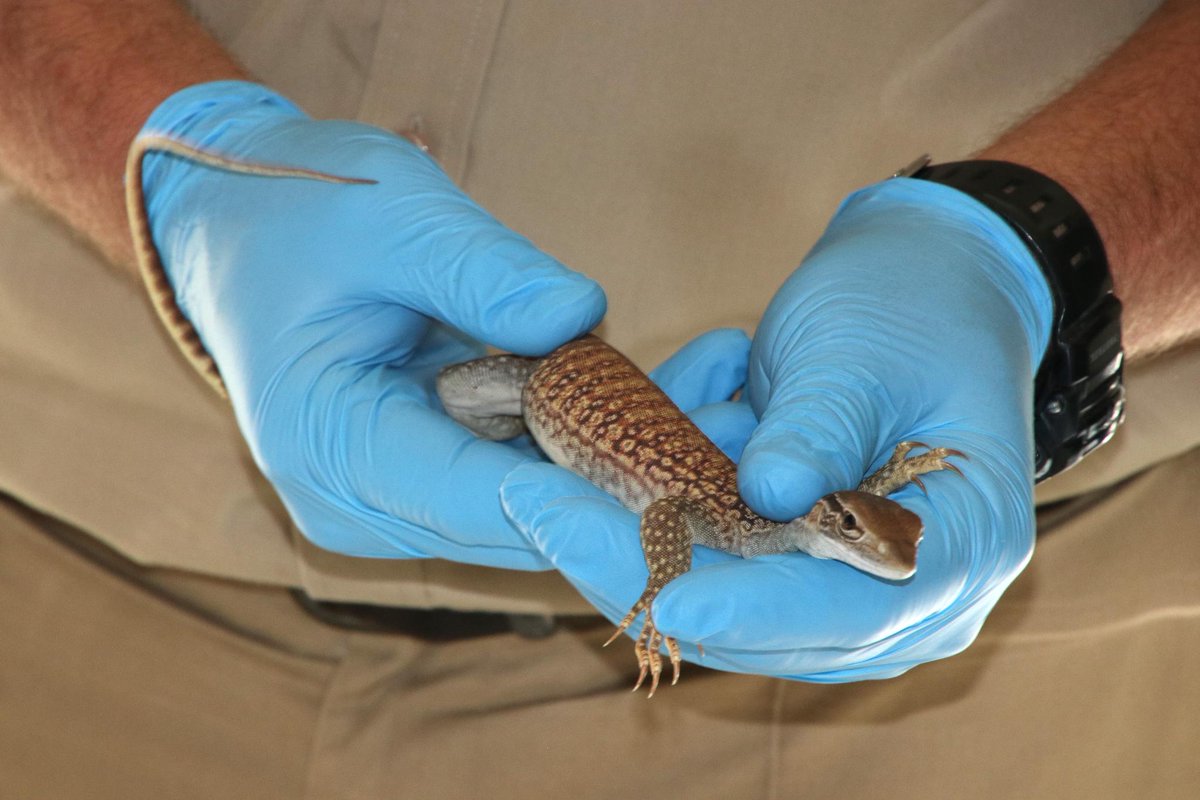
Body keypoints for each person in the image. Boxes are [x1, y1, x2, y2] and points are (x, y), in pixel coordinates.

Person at [1, 0, 1198, 797]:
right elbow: (668, 523)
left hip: (917, 704)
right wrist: (176, 170)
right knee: (478, 385)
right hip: (90, 562)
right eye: (861, 516)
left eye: (868, 522)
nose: (865, 525)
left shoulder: (788, 506)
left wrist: (1035, 263)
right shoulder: (752, 510)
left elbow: (756, 510)